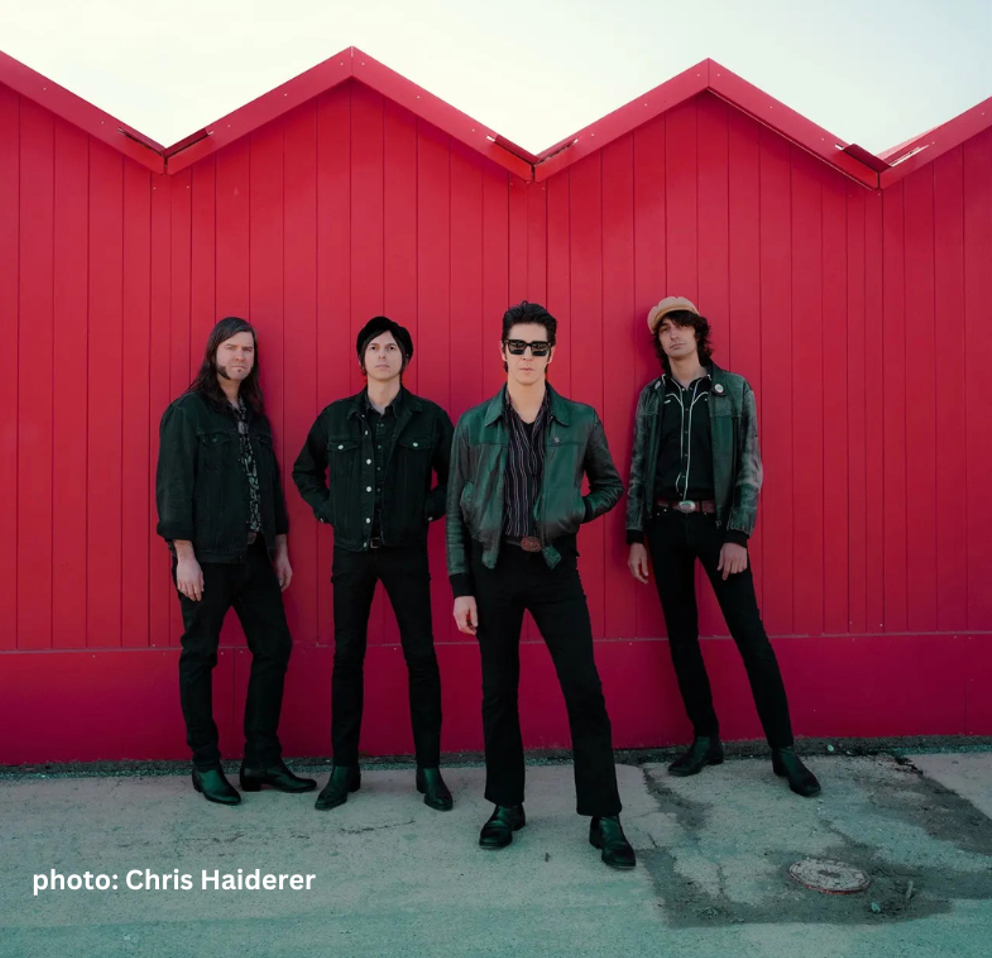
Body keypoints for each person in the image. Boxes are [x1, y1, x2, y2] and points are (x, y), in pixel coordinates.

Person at [447, 301, 635, 869]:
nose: (527, 357)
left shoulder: (579, 420)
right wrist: (462, 585)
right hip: (493, 570)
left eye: (538, 347)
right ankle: (507, 804)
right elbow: (456, 509)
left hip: (555, 568)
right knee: (499, 692)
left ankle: (605, 815)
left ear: (552, 352)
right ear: (502, 350)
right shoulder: (474, 423)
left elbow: (611, 485)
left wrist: (574, 511)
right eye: (517, 346)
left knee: (584, 689)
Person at [625, 296, 820, 797]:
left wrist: (737, 535)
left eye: (682, 325)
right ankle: (706, 738)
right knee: (682, 639)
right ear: (659, 341)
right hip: (665, 526)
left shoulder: (733, 390)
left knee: (749, 636)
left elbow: (750, 468)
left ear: (698, 333)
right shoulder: (652, 397)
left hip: (717, 529)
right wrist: (635, 536)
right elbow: (639, 466)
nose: (674, 335)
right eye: (665, 329)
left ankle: (784, 751)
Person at [293, 317, 455, 812]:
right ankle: (344, 769)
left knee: (421, 659)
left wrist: (420, 513)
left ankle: (429, 770)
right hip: (352, 554)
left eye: (391, 348)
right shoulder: (336, 417)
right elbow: (305, 471)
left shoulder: (429, 418)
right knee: (347, 659)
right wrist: (330, 511)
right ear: (361, 359)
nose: (382, 355)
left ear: (405, 358)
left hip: (406, 554)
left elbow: (455, 479)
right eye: (373, 348)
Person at [155, 316, 316, 805]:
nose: (240, 357)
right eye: (232, 348)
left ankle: (260, 759)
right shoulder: (188, 412)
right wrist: (184, 557)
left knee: (275, 648)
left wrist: (281, 549)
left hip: (254, 557)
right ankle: (205, 765)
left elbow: (270, 486)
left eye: (248, 350)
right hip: (206, 557)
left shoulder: (254, 414)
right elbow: (174, 487)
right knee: (199, 655)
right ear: (213, 353)